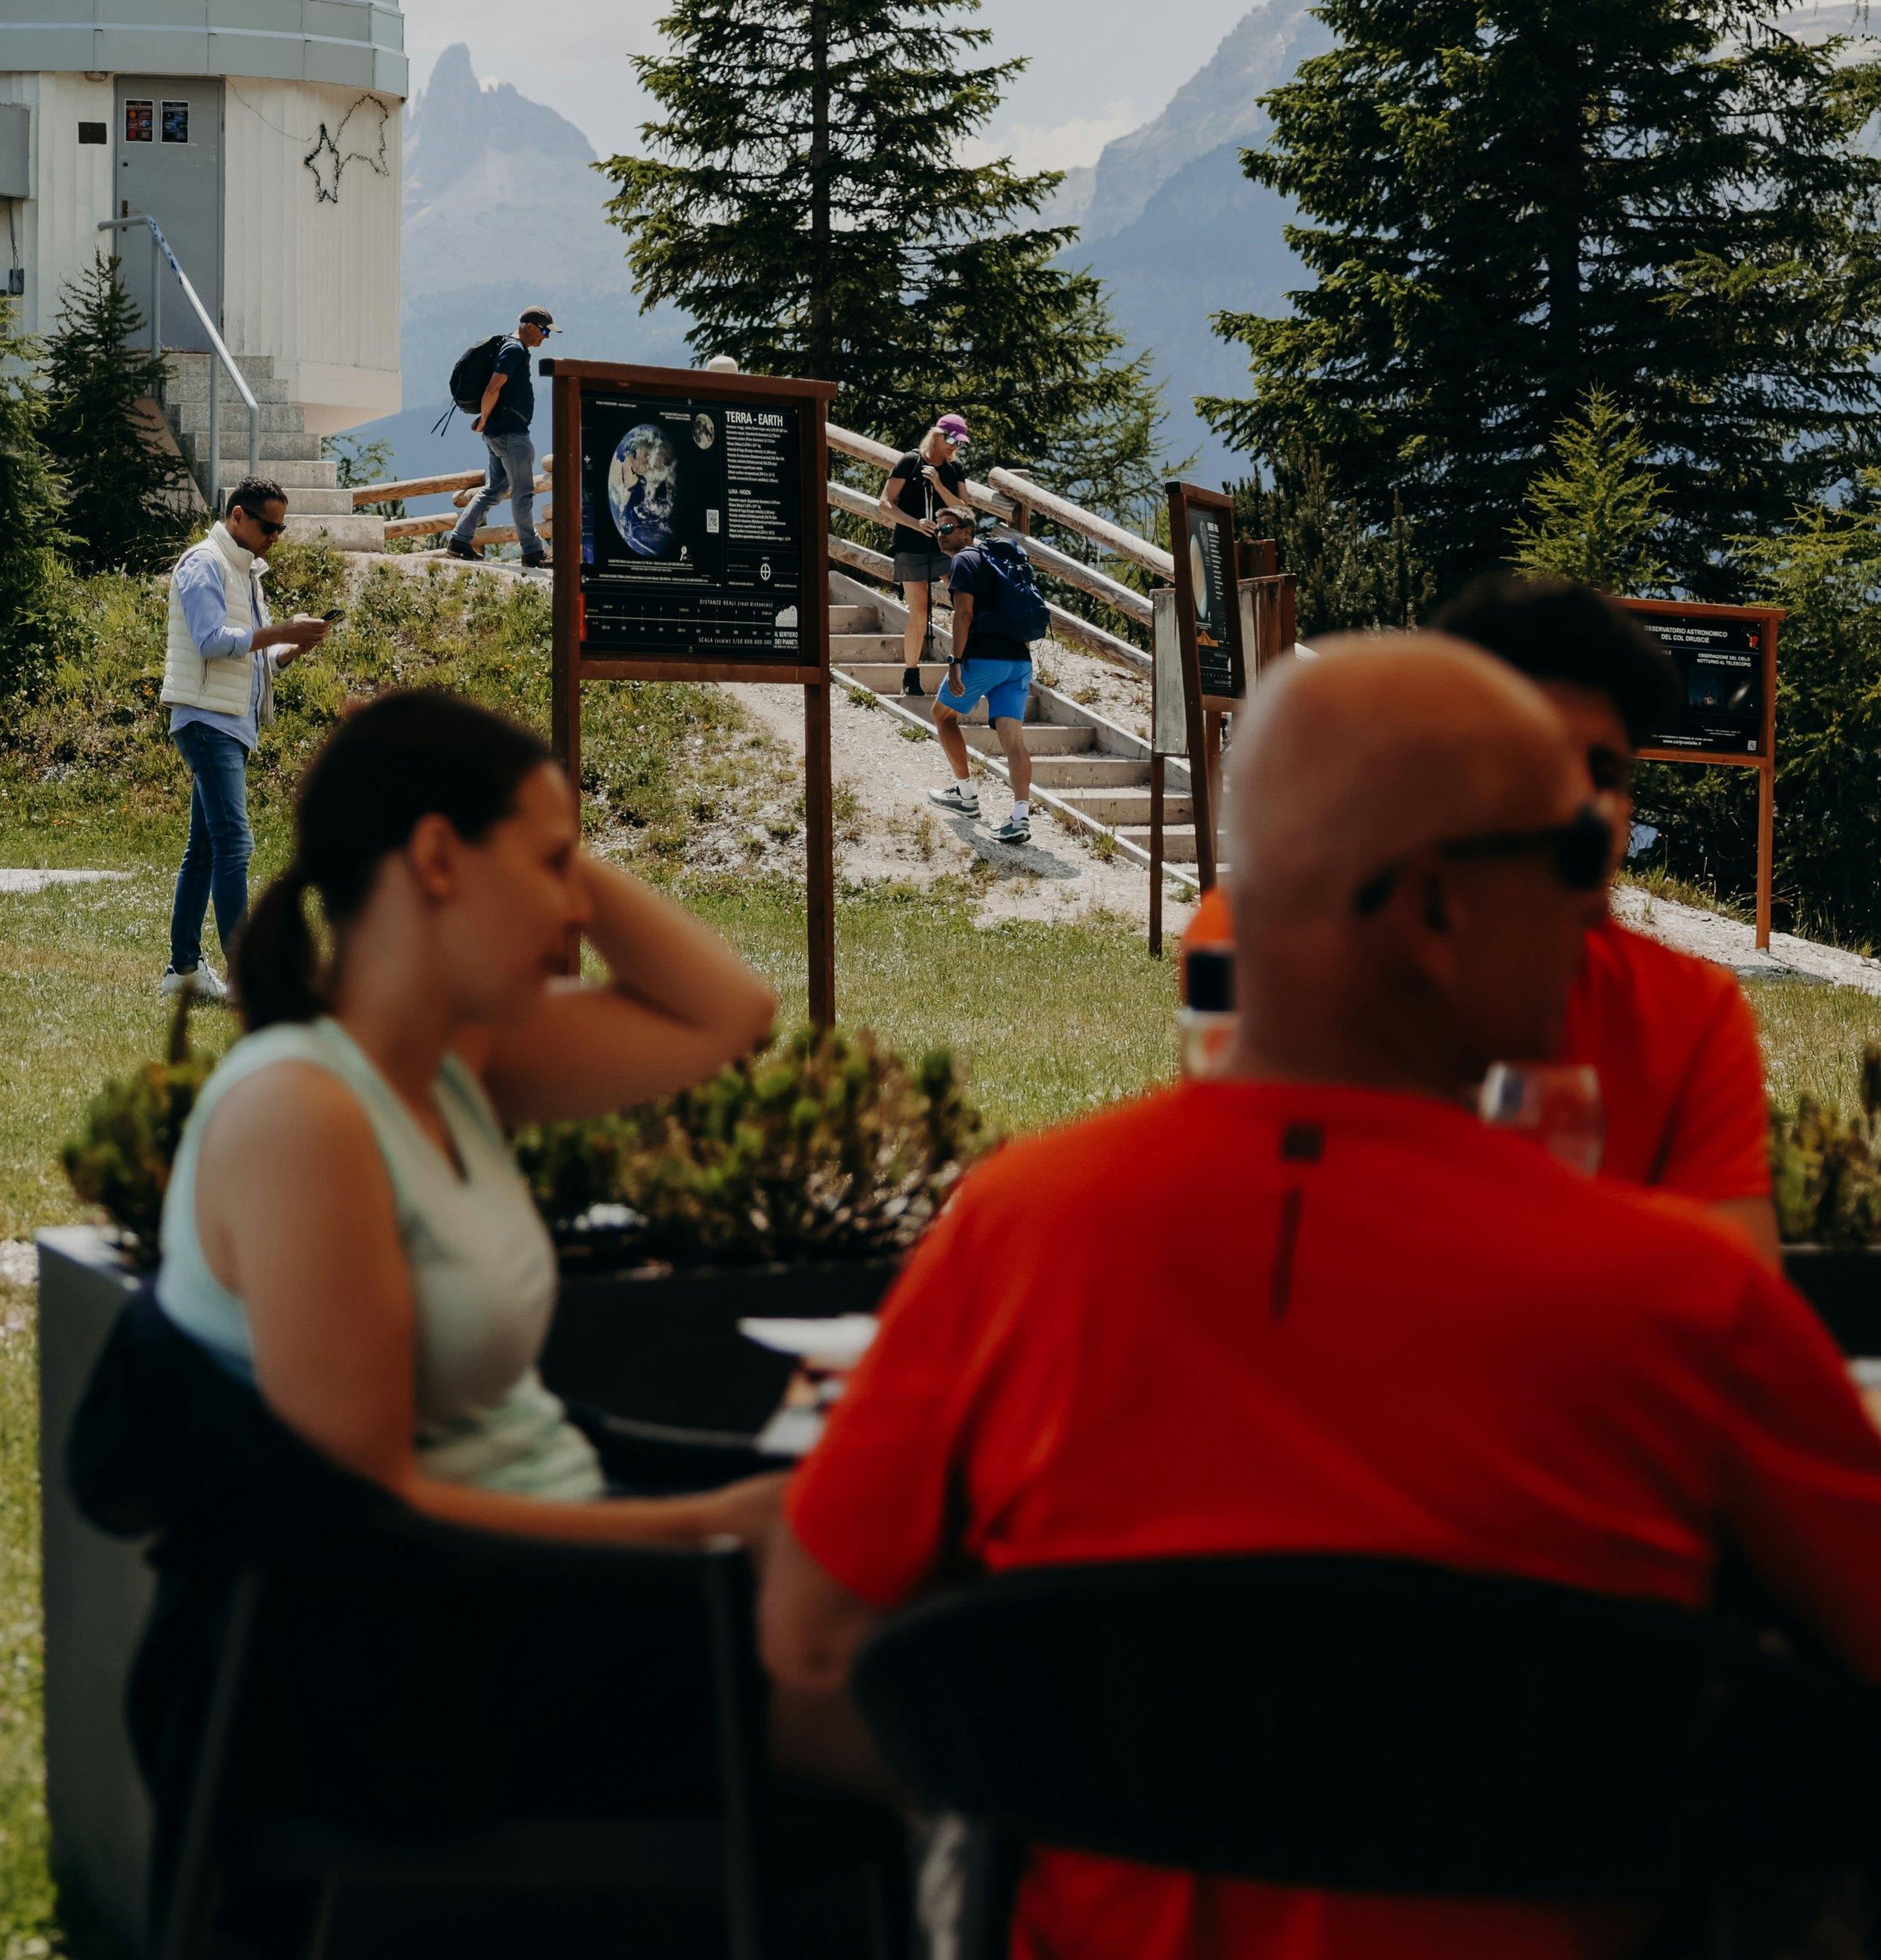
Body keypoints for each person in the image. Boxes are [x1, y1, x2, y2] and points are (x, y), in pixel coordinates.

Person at [762, 635, 1881, 1960]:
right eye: (1571, 853)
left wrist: (1083, 1776)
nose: (1599, 898)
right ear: (1433, 909)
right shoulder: (1680, 1297)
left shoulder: (1013, 1235)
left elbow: (808, 1666)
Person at [162, 687, 784, 1524]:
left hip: (576, 1531)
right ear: (438, 859)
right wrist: (713, 1530)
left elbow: (729, 1014)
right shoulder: (301, 1114)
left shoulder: (449, 1064)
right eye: (553, 865)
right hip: (496, 1591)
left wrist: (472, 786)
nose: (576, 908)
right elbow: (370, 1519)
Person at [166, 481, 335, 997]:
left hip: (231, 722)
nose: (275, 537)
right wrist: (281, 630)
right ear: (238, 516)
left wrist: (291, 648)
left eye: (281, 528)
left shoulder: (244, 571)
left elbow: (254, 657)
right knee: (235, 844)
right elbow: (212, 641)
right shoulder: (205, 564)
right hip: (209, 720)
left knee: (205, 851)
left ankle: (183, 971)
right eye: (269, 526)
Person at [922, 493, 1048, 846]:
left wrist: (955, 662)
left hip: (984, 657)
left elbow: (964, 614)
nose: (941, 533)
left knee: (942, 715)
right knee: (1013, 741)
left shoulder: (965, 559)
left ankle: (965, 796)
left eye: (948, 528)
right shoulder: (996, 560)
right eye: (938, 529)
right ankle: (1020, 817)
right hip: (1018, 660)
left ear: (967, 532)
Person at [446, 308, 554, 564]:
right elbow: (493, 388)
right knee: (523, 492)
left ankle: (460, 539)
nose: (546, 336)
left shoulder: (509, 346)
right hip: (511, 434)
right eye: (544, 330)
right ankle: (532, 552)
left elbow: (496, 392)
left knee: (495, 488)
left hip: (499, 431)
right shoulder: (514, 349)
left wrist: (487, 419)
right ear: (530, 326)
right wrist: (484, 420)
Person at [876, 413, 970, 694]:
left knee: (965, 605)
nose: (955, 446)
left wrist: (939, 485)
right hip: (911, 546)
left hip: (947, 548)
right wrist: (915, 524)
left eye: (959, 442)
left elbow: (965, 509)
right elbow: (885, 503)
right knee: (919, 612)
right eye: (952, 440)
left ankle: (965, 666)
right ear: (937, 435)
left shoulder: (954, 470)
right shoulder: (910, 462)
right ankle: (911, 676)